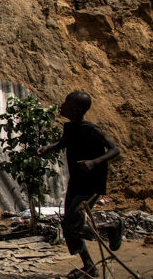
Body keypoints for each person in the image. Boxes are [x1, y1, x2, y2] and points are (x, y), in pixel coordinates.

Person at [38, 91, 123, 279]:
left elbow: (115, 149)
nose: (62, 105)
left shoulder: (91, 130)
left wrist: (94, 162)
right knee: (70, 226)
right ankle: (89, 267)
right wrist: (49, 148)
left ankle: (112, 225)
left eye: (66, 103)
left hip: (91, 184)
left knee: (71, 225)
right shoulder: (69, 128)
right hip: (76, 182)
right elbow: (65, 143)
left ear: (76, 109)